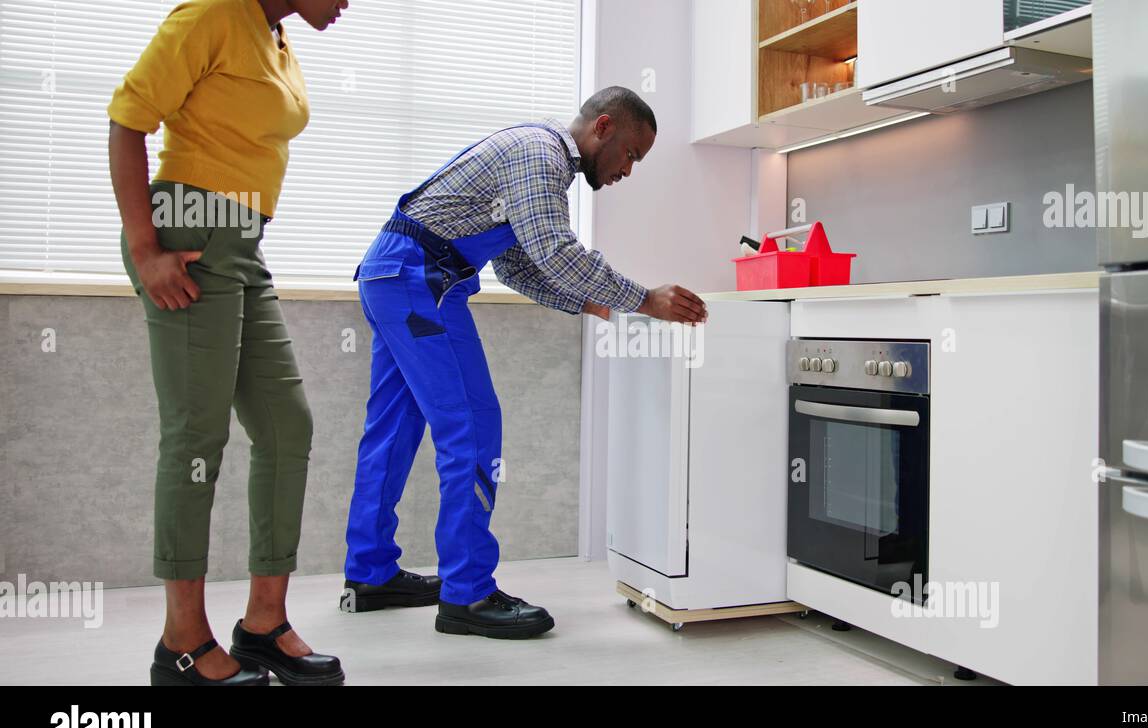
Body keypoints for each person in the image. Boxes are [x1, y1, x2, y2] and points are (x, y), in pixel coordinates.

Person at [341, 86, 708, 639]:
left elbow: (519, 268)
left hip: (392, 275)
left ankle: (369, 574)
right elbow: (556, 251)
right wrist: (643, 297)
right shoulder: (541, 156)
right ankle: (467, 594)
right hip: (419, 281)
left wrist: (598, 303)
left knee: (393, 427)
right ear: (603, 127)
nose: (629, 171)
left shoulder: (533, 157)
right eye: (632, 154)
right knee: (471, 425)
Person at [108, 0, 348, 686]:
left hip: (241, 242)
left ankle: (263, 625)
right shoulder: (212, 14)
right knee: (196, 436)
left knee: (286, 423)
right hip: (187, 231)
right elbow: (127, 118)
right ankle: (182, 641)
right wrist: (144, 247)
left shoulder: (273, 38)